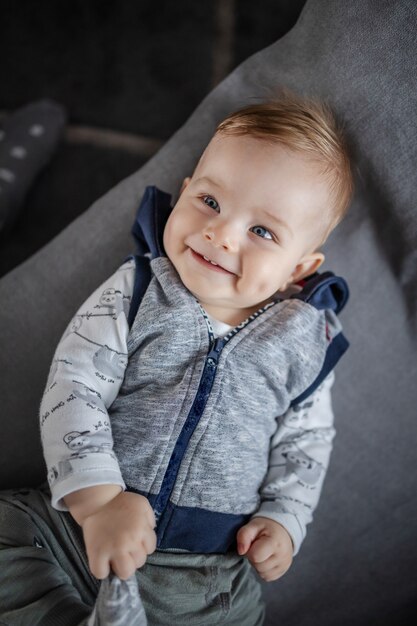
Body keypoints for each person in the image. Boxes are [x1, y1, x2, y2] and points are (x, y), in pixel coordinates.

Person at [0, 93, 353, 626]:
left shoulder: (303, 341)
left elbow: (306, 443)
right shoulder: (140, 289)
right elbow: (75, 383)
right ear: (185, 192)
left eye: (262, 232)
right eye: (210, 202)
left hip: (205, 574)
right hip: (74, 531)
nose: (221, 232)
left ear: (299, 270)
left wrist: (285, 518)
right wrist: (97, 503)